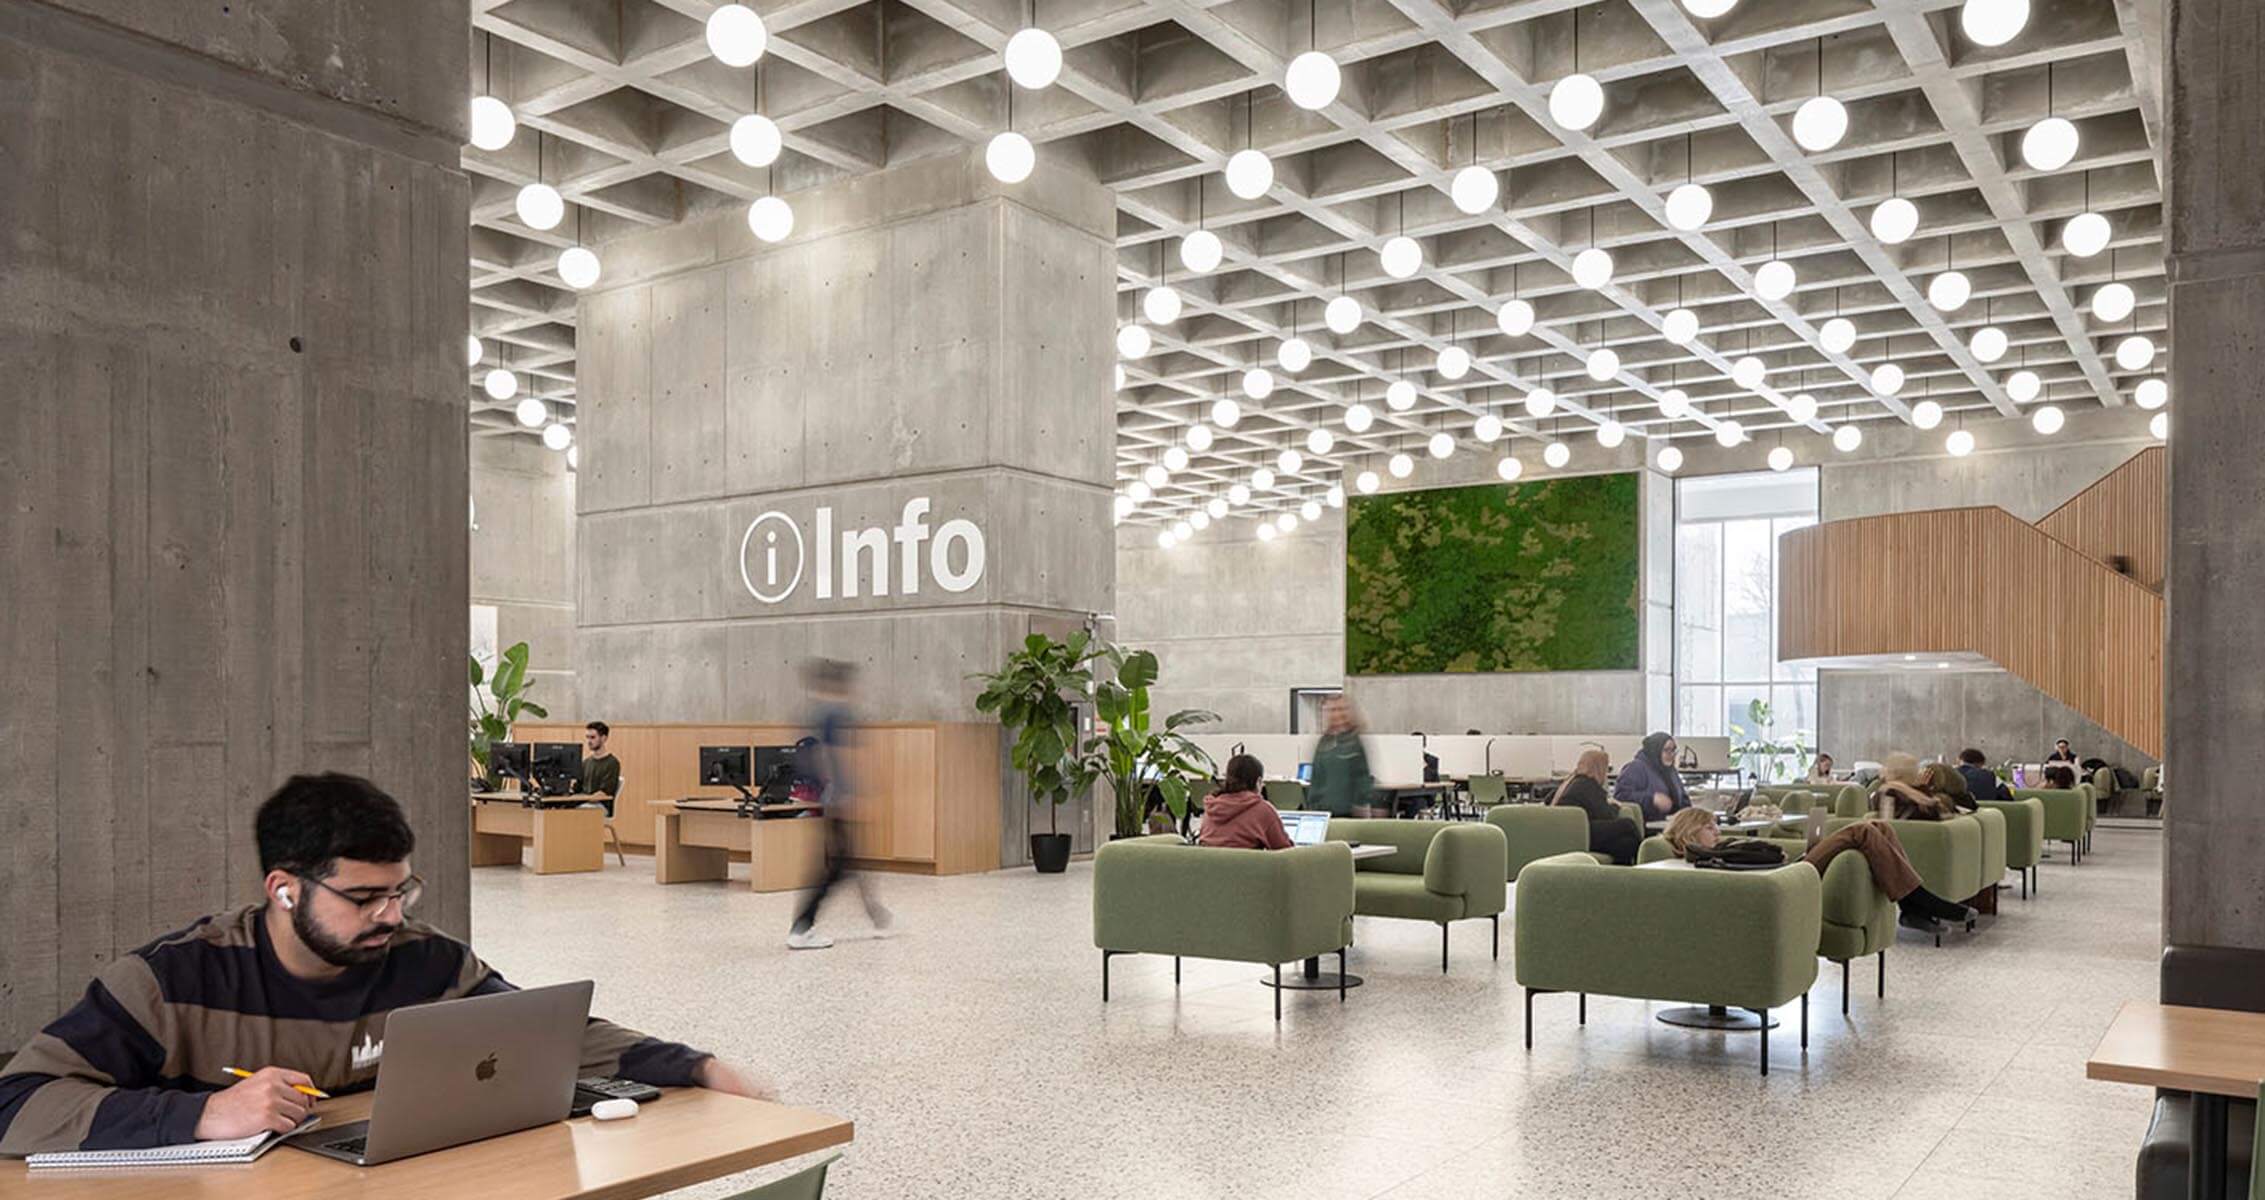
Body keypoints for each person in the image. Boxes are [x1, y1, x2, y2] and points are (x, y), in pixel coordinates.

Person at [0, 774, 770, 1156]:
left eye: (401, 891)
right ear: (283, 888)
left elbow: (550, 1034)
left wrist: (695, 1066)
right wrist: (199, 1115)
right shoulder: (170, 983)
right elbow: (18, 1102)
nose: (392, 916)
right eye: (365, 897)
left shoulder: (427, 964)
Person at [1660, 808, 1975, 933]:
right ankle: (1920, 900)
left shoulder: (1713, 847)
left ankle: (1910, 905)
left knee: (1878, 826)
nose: (1715, 831)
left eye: (1715, 826)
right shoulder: (1695, 856)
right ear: (1689, 832)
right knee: (1862, 832)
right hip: (1785, 882)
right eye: (1708, 827)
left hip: (1786, 872)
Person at [787, 659, 891, 950]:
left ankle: (879, 917)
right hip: (836, 800)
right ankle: (801, 926)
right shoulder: (833, 714)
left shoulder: (818, 712)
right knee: (839, 866)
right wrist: (842, 796)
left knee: (847, 861)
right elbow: (829, 758)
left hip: (830, 798)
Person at [1550, 748, 1641, 865]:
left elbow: (1549, 799)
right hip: (1583, 832)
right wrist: (1615, 806)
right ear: (1599, 768)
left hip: (1571, 832)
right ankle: (1646, 860)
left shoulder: (1572, 781)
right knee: (1628, 824)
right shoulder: (1587, 784)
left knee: (1626, 844)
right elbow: (1607, 816)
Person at [1197, 755, 1293, 850]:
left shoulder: (1212, 807)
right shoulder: (1263, 810)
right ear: (1258, 782)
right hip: (1246, 865)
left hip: (1208, 865)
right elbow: (1285, 853)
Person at [1308, 698, 1376, 818]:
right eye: (1333, 710)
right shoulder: (1324, 742)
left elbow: (1363, 777)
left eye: (1340, 709)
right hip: (1323, 810)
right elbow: (1316, 777)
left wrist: (1361, 804)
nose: (1337, 713)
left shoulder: (1354, 742)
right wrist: (1313, 804)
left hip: (1349, 812)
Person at [1614, 732, 1690, 818]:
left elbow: (1684, 799)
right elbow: (1621, 796)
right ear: (1655, 750)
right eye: (1667, 750)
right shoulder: (1636, 768)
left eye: (1673, 750)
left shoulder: (1670, 771)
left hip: (1672, 822)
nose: (1671, 755)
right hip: (1648, 825)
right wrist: (1652, 799)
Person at [1875, 753, 1962, 820]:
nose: (1882, 770)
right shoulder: (1921, 796)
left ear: (1895, 773)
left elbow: (1886, 825)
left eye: (1885, 767)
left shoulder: (1889, 792)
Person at [579, 720, 622, 815]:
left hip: (600, 805)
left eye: (593, 737)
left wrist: (584, 799)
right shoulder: (586, 763)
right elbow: (578, 787)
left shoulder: (612, 763)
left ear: (604, 738)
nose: (589, 741)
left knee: (576, 811)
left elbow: (604, 793)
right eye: (587, 737)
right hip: (584, 802)